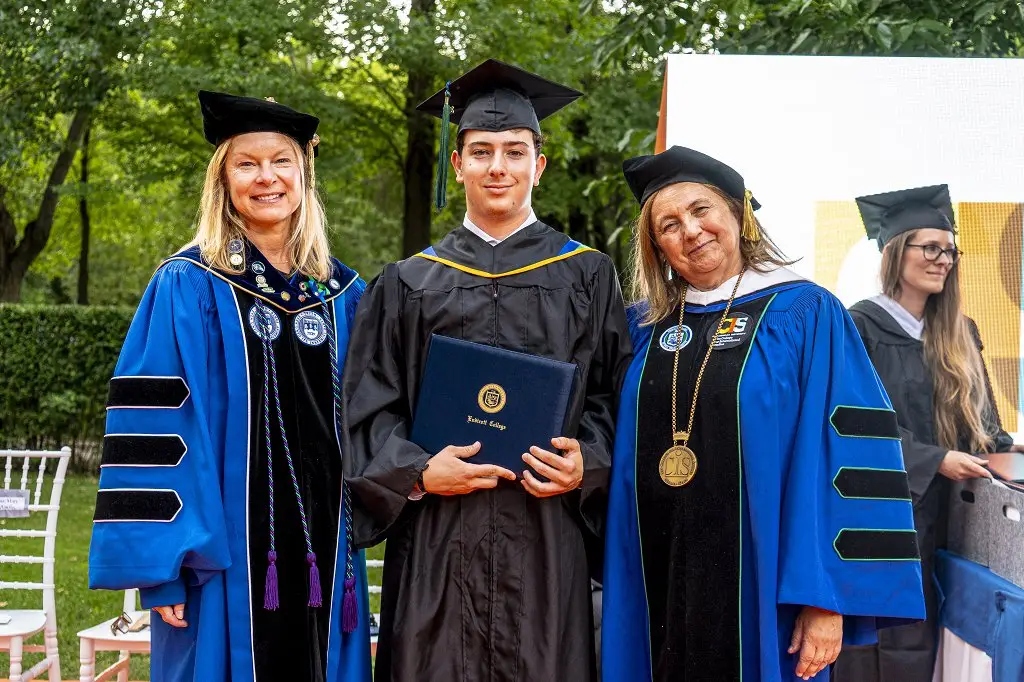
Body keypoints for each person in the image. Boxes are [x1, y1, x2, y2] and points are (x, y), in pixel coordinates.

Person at [342, 59, 632, 682]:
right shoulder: (409, 282)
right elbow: (368, 407)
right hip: (437, 543)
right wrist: (417, 472)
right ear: (457, 165)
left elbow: (617, 395)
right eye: (481, 152)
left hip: (546, 538)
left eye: (514, 152)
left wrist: (588, 462)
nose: (498, 167)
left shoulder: (587, 275)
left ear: (539, 165)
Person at [602, 146, 927, 682]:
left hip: (768, 586)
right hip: (655, 581)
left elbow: (841, 457)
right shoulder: (642, 329)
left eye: (702, 210)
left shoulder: (805, 313)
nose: (691, 231)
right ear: (657, 247)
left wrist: (825, 598)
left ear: (738, 215)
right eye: (669, 225)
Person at [88, 91, 372, 682]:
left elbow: (379, 415)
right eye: (247, 164)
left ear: (304, 174)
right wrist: (165, 572)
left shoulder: (345, 294)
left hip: (328, 552)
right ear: (223, 180)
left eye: (281, 161)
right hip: (222, 564)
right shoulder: (187, 284)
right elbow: (156, 430)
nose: (267, 178)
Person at [833, 185, 1022, 682]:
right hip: (887, 517)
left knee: (942, 639)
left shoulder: (960, 330)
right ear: (897, 251)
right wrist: (934, 459)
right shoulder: (858, 328)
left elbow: (982, 427)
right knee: (888, 641)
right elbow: (847, 426)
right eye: (931, 248)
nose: (943, 260)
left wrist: (1007, 446)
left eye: (950, 250)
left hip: (954, 514)